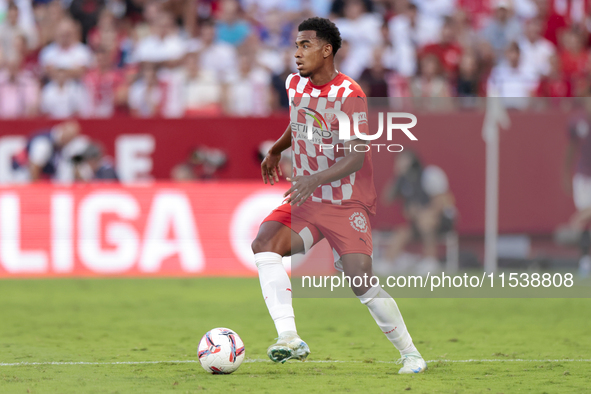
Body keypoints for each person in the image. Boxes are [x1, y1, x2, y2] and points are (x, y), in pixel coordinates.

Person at [251, 17, 427, 374]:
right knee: (265, 243)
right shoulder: (294, 85)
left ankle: (411, 353)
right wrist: (275, 149)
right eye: (296, 46)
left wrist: (313, 178)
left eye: (305, 45)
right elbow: (299, 120)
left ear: (326, 50)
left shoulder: (350, 95)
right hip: (308, 199)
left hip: (345, 200)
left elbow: (356, 155)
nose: (297, 53)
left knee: (360, 279)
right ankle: (289, 338)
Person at [381, 149, 456, 274]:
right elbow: (386, 199)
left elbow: (442, 202)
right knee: (401, 232)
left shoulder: (430, 174)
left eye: (403, 160)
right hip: (419, 221)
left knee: (426, 222)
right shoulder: (403, 180)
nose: (400, 164)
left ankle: (431, 262)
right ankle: (387, 263)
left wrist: (423, 214)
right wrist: (397, 177)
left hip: (442, 219)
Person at [563, 101, 591, 277]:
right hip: (583, 175)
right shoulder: (578, 120)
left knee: (582, 217)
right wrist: (566, 174)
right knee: (585, 224)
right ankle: (585, 260)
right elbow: (571, 148)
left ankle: (574, 221)